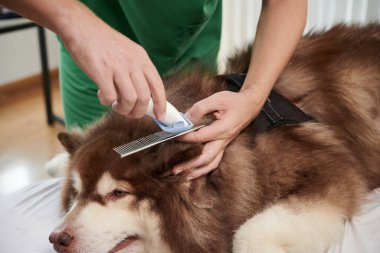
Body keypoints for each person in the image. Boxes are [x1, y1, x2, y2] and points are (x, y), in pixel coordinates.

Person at [1, 0, 307, 180]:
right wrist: (75, 23)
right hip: (98, 59)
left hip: (192, 48)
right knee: (101, 174)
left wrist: (252, 97)